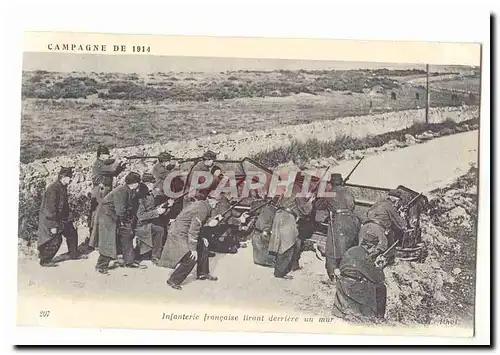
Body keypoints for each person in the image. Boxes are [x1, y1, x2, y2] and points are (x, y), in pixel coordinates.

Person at [158, 194, 219, 290]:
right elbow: (193, 230)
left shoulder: (202, 205)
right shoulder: (202, 209)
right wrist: (193, 249)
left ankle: (203, 273)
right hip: (179, 234)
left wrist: (204, 235)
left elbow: (197, 224)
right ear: (210, 200)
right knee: (191, 257)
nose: (217, 203)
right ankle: (173, 280)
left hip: (184, 231)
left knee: (203, 246)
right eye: (216, 201)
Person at [93, 172, 147, 274]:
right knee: (108, 240)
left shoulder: (130, 191)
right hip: (107, 216)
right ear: (134, 183)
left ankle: (129, 261)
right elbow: (120, 209)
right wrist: (124, 221)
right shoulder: (121, 190)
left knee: (127, 235)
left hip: (115, 216)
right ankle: (101, 265)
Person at [36, 167, 86, 267]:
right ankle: (45, 260)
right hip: (51, 219)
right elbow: (50, 209)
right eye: (69, 177)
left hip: (62, 218)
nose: (71, 179)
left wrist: (70, 219)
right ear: (62, 177)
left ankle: (73, 254)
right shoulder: (53, 189)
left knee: (71, 232)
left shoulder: (62, 187)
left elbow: (64, 206)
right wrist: (54, 225)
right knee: (56, 240)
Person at [332, 238, 387, 322]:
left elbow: (360, 266)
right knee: (381, 288)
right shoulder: (365, 257)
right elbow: (378, 278)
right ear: (371, 246)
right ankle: (379, 318)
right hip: (353, 287)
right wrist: (380, 266)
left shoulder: (352, 250)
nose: (374, 250)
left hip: (342, 282)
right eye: (374, 248)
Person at [321, 173, 361, 281]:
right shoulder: (349, 192)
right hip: (351, 220)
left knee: (331, 249)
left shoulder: (329, 193)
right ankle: (347, 274)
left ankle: (333, 275)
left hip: (338, 221)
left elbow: (320, 205)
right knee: (347, 248)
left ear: (331, 183)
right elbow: (352, 206)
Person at [85, 145, 127, 246]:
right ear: (102, 155)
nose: (108, 157)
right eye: (106, 155)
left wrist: (122, 166)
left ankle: (100, 240)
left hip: (105, 190)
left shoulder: (102, 164)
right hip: (101, 190)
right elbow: (111, 170)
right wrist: (117, 162)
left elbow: (114, 173)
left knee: (103, 213)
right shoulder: (99, 164)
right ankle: (95, 241)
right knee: (99, 214)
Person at [268, 192, 315, 279]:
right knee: (288, 245)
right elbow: (305, 211)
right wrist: (310, 201)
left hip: (279, 215)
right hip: (287, 217)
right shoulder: (299, 192)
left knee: (281, 243)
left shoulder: (290, 189)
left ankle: (282, 267)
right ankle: (280, 272)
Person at [358, 189, 409, 264]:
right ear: (394, 199)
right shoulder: (390, 206)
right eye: (398, 201)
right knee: (382, 247)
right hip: (376, 229)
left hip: (364, 228)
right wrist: (402, 215)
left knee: (360, 250)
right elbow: (402, 225)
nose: (398, 203)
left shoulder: (379, 203)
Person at [134, 173, 172, 265]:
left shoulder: (149, 194)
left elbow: (151, 208)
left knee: (160, 228)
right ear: (146, 183)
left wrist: (166, 205)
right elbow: (141, 215)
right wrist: (157, 212)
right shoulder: (140, 196)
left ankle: (155, 256)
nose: (153, 185)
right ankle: (150, 255)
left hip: (148, 222)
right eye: (151, 183)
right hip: (140, 224)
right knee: (159, 229)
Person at [251, 197, 278, 267]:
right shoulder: (271, 210)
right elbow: (266, 228)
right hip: (262, 237)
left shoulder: (266, 208)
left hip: (256, 236)